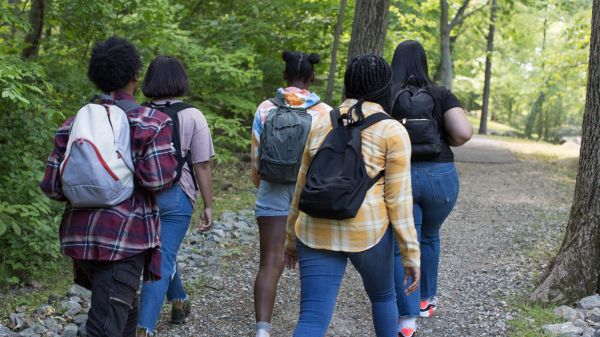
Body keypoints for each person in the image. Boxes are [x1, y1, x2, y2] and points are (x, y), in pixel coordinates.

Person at [40, 37, 178, 337]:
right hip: (125, 240)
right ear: (135, 77)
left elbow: (51, 186)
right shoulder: (151, 121)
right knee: (105, 327)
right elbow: (157, 180)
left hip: (80, 239)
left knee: (124, 315)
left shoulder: (73, 123)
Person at [284, 54, 421, 337]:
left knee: (311, 318)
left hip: (314, 228)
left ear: (348, 83)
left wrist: (290, 238)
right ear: (386, 86)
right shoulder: (391, 130)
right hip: (366, 231)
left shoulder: (321, 121)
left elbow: (301, 183)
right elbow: (398, 200)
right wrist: (411, 254)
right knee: (383, 297)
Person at [389, 40, 472, 337]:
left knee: (404, 242)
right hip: (441, 176)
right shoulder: (440, 94)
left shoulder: (387, 95)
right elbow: (463, 133)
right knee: (429, 236)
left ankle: (406, 315)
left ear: (394, 63)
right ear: (424, 63)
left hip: (401, 176)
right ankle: (426, 300)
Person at [250, 51, 331, 337]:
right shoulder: (325, 113)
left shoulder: (265, 108)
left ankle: (262, 331)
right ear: (313, 78)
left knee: (269, 263)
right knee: (314, 266)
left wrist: (263, 184)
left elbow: (256, 158)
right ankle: (308, 326)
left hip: (272, 189)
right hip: (310, 194)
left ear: (284, 76)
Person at [136, 56, 215, 337]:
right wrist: (208, 205)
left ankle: (179, 300)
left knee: (161, 253)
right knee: (163, 257)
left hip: (141, 197)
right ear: (180, 80)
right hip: (177, 196)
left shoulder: (136, 113)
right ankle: (142, 329)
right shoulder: (193, 115)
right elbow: (202, 165)